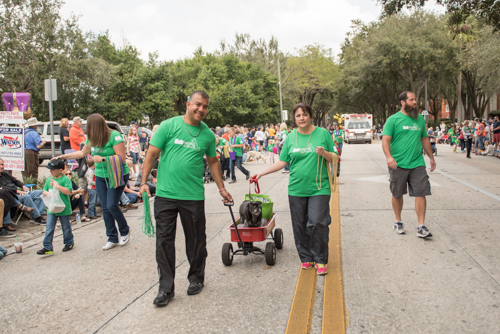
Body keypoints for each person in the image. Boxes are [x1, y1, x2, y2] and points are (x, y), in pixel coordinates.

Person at [139, 90, 232, 307]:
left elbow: (213, 162)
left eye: (205, 106)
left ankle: (196, 278)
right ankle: (166, 288)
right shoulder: (169, 126)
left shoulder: (208, 135)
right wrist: (143, 182)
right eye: (198, 104)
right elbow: (151, 154)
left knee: (196, 241)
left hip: (193, 197)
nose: (201, 109)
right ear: (188, 104)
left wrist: (221, 188)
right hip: (166, 196)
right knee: (164, 242)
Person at [254, 103, 337, 275]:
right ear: (294, 118)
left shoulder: (322, 134)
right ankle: (306, 257)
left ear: (310, 117)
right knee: (300, 225)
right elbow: (283, 161)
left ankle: (320, 258)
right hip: (296, 188)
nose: (302, 118)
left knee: (317, 223)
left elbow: (336, 157)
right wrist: (262, 172)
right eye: (298, 115)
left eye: (305, 115)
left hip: (319, 187)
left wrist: (325, 154)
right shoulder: (291, 137)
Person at [55, 114, 131, 251]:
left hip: (117, 174)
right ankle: (112, 237)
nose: (86, 129)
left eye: (88, 126)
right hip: (101, 176)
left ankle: (124, 230)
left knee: (112, 205)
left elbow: (122, 159)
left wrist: (102, 159)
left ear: (96, 126)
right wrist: (63, 156)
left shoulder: (115, 136)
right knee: (106, 207)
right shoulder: (92, 138)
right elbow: (81, 153)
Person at [382, 91, 436, 238]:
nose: (415, 102)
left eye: (415, 100)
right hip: (397, 164)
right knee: (397, 193)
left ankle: (421, 225)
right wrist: (389, 157)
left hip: (417, 163)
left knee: (421, 192)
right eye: (411, 100)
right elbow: (385, 140)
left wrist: (431, 157)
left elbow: (424, 139)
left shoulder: (419, 120)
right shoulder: (393, 119)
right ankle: (398, 221)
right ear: (403, 102)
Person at [37, 159, 75, 255]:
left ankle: (69, 242)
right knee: (49, 227)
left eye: (53, 169)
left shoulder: (66, 179)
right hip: (52, 208)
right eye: (50, 170)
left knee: (66, 226)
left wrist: (57, 186)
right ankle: (47, 246)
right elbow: (44, 191)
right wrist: (48, 193)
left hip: (63, 208)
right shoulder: (49, 179)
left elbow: (69, 192)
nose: (51, 171)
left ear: (61, 170)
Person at [0, 158, 46, 227]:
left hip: (19, 192)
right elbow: (3, 189)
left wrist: (22, 186)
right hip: (11, 196)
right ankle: (37, 218)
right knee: (26, 197)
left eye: (2, 164)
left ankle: (40, 213)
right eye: (0, 165)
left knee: (40, 193)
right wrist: (16, 191)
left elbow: (15, 181)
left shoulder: (5, 174)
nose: (1, 166)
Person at [22, 117, 46, 181]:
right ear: (35, 125)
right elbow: (38, 146)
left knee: (25, 170)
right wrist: (43, 143)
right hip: (31, 152)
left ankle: (26, 183)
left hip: (24, 151)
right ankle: (33, 186)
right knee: (33, 170)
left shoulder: (24, 132)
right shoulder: (34, 133)